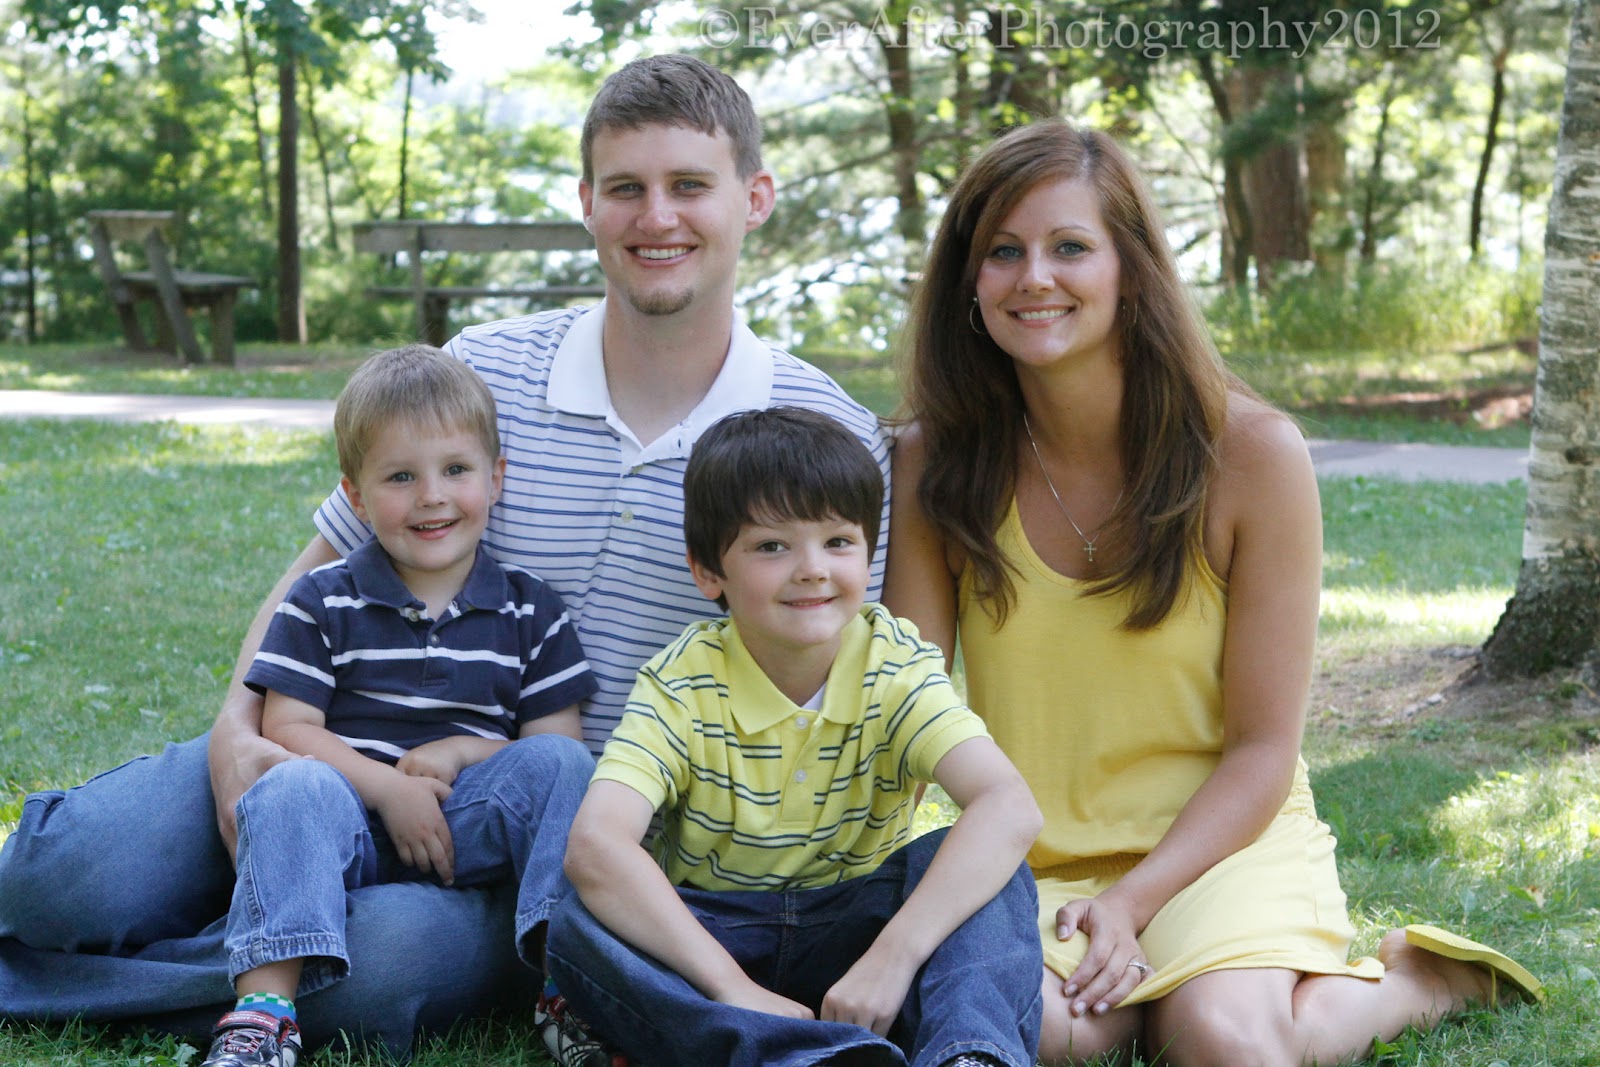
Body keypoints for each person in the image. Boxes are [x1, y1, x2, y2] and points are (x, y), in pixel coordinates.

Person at [0, 54, 888, 1059]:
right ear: (585, 202)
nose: (657, 217)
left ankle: (195, 985)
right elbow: (319, 567)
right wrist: (237, 734)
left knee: (376, 965)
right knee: (60, 876)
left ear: (754, 198)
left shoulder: (821, 433)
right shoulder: (482, 369)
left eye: (689, 185)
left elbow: (844, 679)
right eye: (625, 188)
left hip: (544, 827)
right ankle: (250, 922)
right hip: (332, 747)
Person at [884, 118, 1543, 1067]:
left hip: (1224, 844)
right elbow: (907, 713)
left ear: (1131, 269)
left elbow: (1263, 749)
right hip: (1029, 856)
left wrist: (1131, 900)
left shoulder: (1251, 454)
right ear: (969, 282)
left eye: (1070, 246)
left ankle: (1420, 981)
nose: (1034, 277)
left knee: (1222, 1041)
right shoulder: (932, 461)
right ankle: (1156, 994)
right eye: (1003, 252)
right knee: (1051, 1032)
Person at [548, 407, 1044, 1067]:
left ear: (869, 551)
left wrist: (893, 958)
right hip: (717, 935)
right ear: (709, 572)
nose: (812, 568)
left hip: (861, 935)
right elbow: (597, 844)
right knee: (579, 923)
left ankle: (968, 1055)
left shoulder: (894, 663)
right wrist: (731, 988)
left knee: (991, 874)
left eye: (837, 541)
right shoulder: (682, 682)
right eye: (772, 546)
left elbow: (1009, 804)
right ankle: (811, 1055)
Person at [192, 344, 598, 1067]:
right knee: (288, 781)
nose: (432, 496)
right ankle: (262, 1015)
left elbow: (555, 747)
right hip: (344, 819)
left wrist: (462, 752)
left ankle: (565, 990)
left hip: (465, 822)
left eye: (456, 469)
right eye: (401, 476)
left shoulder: (532, 610)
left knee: (566, 768)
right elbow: (288, 727)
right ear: (355, 496)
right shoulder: (323, 599)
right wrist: (387, 789)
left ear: (497, 478)